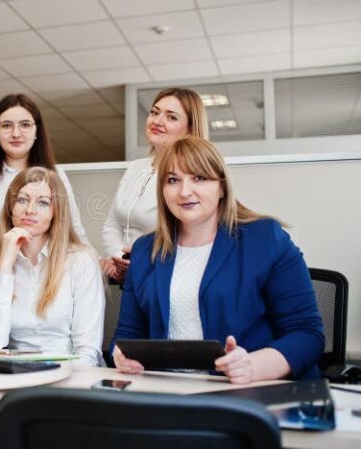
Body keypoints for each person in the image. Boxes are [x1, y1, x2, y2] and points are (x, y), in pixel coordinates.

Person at [112, 137, 324, 383]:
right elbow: (127, 336)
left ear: (221, 187)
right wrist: (122, 356)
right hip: (170, 394)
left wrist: (252, 366)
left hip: (250, 392)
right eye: (173, 180)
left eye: (199, 178)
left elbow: (308, 335)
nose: (185, 191)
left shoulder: (265, 239)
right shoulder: (145, 250)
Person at [0, 167, 104, 367]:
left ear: (56, 211)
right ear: (10, 208)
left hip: (69, 378)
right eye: (22, 200)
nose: (30, 210)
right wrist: (4, 266)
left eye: (43, 202)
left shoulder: (81, 261)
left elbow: (87, 352)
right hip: (14, 376)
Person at [101, 87, 208, 283]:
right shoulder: (135, 168)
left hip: (164, 280)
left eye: (171, 117)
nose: (157, 121)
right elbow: (111, 225)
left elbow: (191, 240)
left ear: (191, 128)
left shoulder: (193, 179)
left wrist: (139, 262)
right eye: (154, 112)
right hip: (124, 280)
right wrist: (118, 259)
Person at [0, 94, 90, 258]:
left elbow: (73, 229)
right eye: (6, 125)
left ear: (36, 130)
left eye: (25, 125)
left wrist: (94, 262)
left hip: (42, 273)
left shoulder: (55, 175)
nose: (16, 133)